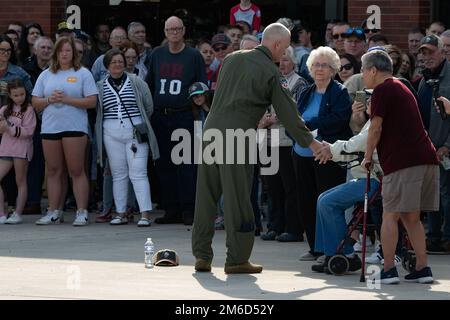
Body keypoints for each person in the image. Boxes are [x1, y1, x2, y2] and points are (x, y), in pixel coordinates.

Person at [192, 23, 323, 274]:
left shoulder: (230, 59)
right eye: (284, 48)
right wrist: (312, 143)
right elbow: (289, 114)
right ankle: (237, 259)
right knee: (238, 198)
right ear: (276, 45)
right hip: (238, 135)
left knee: (206, 195)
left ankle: (202, 256)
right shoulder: (270, 73)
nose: (284, 54)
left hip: (210, 131)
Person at [362, 49, 439, 284]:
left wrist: (367, 157)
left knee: (389, 216)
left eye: (364, 70)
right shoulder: (401, 86)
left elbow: (376, 128)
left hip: (403, 162)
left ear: (374, 70)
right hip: (426, 158)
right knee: (411, 218)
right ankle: (422, 269)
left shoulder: (382, 90)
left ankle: (387, 270)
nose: (363, 74)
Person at [145, 16, 206, 226]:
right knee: (164, 165)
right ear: (164, 32)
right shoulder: (156, 54)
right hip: (161, 116)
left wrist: (198, 101)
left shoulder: (193, 55)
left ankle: (188, 210)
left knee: (185, 165)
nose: (174, 33)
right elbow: (149, 84)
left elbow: (201, 84)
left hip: (183, 115)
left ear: (184, 31)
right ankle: (171, 210)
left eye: (177, 29)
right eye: (170, 30)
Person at [293, 46, 352, 261]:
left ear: (333, 69)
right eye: (316, 64)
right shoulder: (306, 91)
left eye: (325, 65)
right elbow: (293, 119)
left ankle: (329, 249)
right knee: (306, 201)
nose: (319, 69)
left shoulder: (339, 92)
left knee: (325, 201)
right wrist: (300, 133)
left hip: (326, 154)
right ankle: (314, 248)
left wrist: (309, 124)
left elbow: (339, 120)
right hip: (301, 153)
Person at [32, 36, 98, 226]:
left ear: (74, 53)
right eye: (61, 50)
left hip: (74, 127)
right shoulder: (46, 74)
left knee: (76, 170)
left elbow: (92, 101)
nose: (64, 54)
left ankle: (81, 211)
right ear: (56, 53)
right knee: (53, 170)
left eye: (68, 50)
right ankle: (53, 211)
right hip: (50, 128)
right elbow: (35, 102)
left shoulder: (83, 73)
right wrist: (49, 100)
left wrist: (67, 100)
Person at [311, 101, 382, 273]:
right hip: (365, 177)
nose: (367, 102)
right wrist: (330, 151)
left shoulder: (378, 123)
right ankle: (330, 252)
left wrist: (328, 148)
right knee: (323, 199)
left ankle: (344, 254)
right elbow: (353, 149)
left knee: (328, 202)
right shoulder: (372, 121)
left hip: (373, 179)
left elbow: (353, 145)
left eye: (372, 99)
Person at [95, 48, 159, 227]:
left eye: (120, 61)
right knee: (118, 174)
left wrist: (139, 123)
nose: (118, 64)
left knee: (138, 173)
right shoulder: (100, 85)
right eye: (113, 61)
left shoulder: (136, 81)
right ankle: (121, 212)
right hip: (111, 132)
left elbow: (148, 106)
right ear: (107, 65)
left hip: (134, 131)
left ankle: (144, 214)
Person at [259, 46, 307, 242]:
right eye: (279, 61)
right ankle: (274, 226)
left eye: (286, 60)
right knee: (272, 187)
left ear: (294, 62)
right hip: (269, 140)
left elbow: (297, 109)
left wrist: (272, 119)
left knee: (290, 187)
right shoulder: (269, 80)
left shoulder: (299, 83)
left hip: (287, 141)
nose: (282, 65)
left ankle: (293, 229)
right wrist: (263, 119)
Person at [416, 34, 450, 254]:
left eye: (430, 51)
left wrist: (447, 145)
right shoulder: (424, 80)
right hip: (428, 149)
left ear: (443, 52)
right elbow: (419, 116)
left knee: (447, 195)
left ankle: (448, 238)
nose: (426, 57)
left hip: (446, 149)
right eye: (423, 52)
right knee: (432, 195)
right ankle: (433, 236)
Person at [0, 79, 36, 224]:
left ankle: (18, 213)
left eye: (21, 94)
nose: (19, 97)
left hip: (22, 150)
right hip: (6, 148)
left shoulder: (29, 109)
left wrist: (9, 128)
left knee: (20, 181)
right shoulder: (4, 110)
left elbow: (29, 131)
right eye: (15, 95)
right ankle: (2, 214)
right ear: (9, 95)